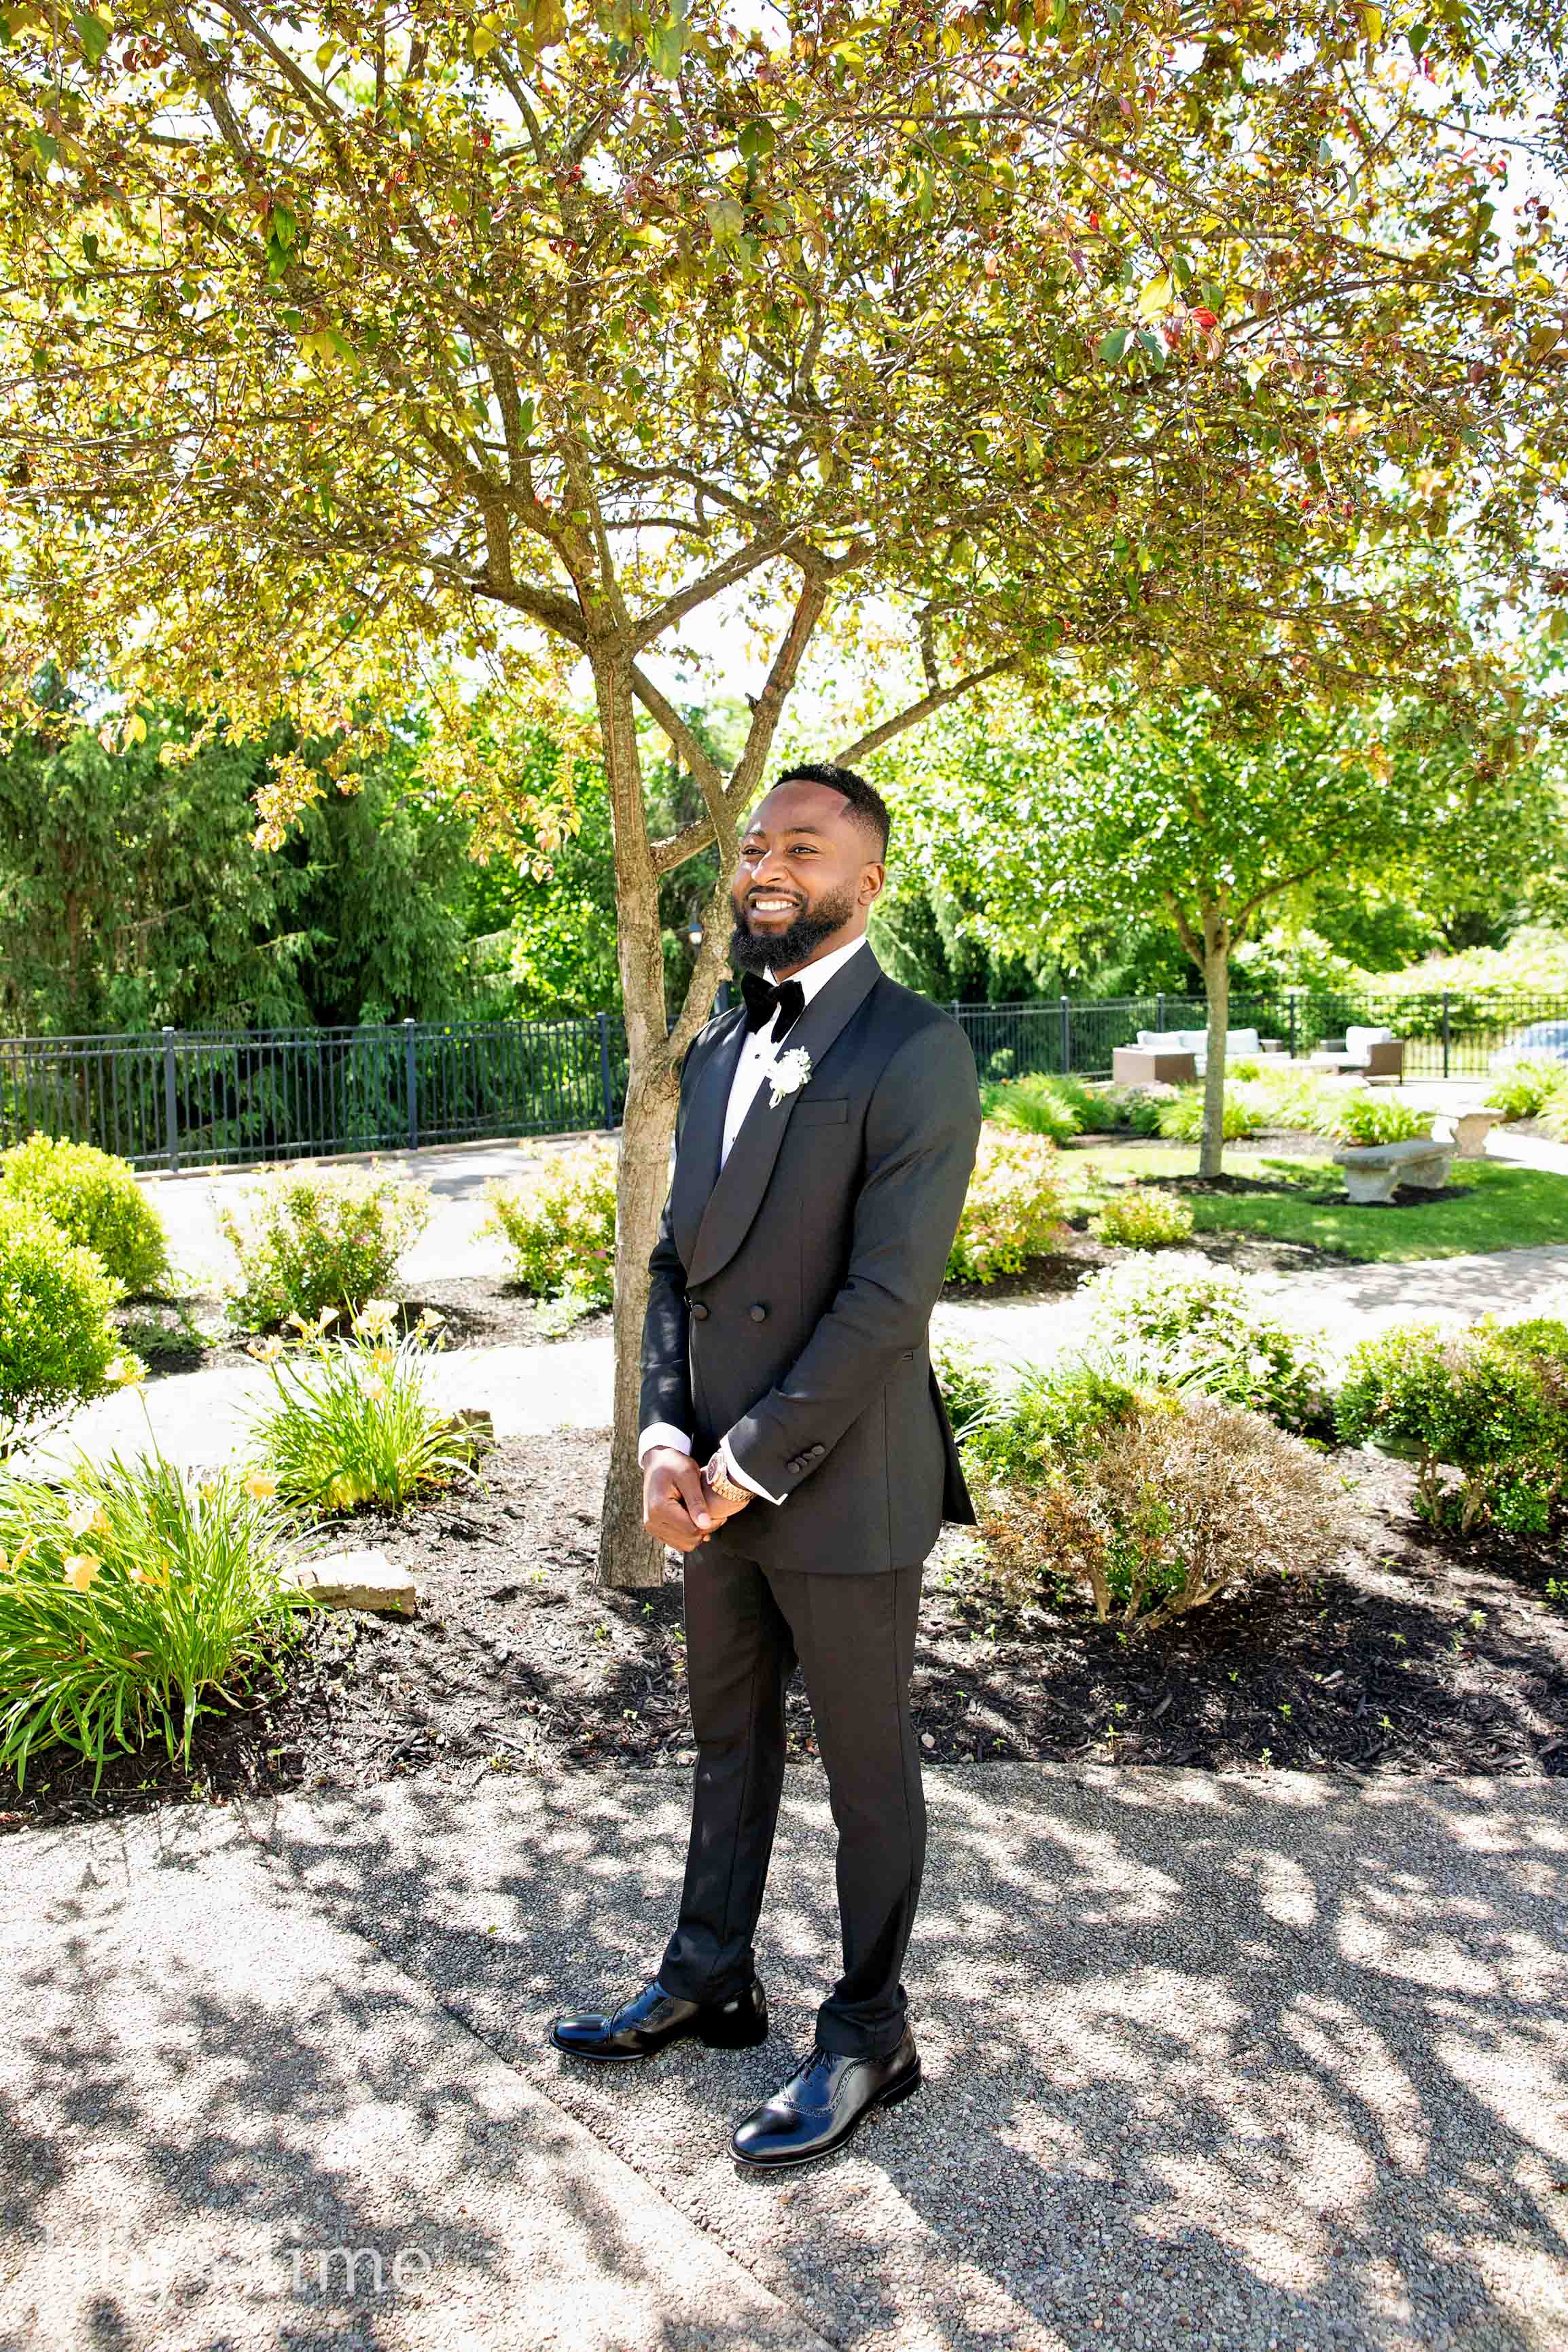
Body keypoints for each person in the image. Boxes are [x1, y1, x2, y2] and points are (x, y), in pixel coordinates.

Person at [550, 760, 982, 2171]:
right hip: (711, 1481)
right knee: (727, 1741)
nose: (765, 868)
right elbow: (676, 1265)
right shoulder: (722, 1044)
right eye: (753, 847)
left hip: (840, 1479)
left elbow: (886, 1302)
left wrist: (746, 1459)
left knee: (866, 1771)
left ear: (868, 879)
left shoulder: (916, 1048)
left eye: (802, 846)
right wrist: (664, 1439)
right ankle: (709, 1976)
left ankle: (870, 2033)